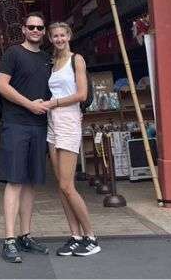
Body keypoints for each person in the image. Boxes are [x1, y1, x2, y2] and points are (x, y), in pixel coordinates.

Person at [0, 12, 53, 264]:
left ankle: (25, 235)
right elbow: (2, 86)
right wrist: (29, 105)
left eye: (40, 27)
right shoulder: (13, 54)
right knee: (14, 180)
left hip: (40, 126)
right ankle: (9, 239)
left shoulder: (47, 58)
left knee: (31, 182)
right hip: (16, 124)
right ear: (23, 29)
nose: (36, 30)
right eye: (31, 26)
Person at [46, 21, 100, 257]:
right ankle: (75, 235)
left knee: (68, 185)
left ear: (69, 35)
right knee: (61, 186)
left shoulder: (76, 59)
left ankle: (91, 237)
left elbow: (81, 94)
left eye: (62, 35)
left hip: (68, 121)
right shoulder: (53, 63)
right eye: (55, 36)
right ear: (51, 39)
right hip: (52, 123)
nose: (59, 39)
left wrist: (55, 103)